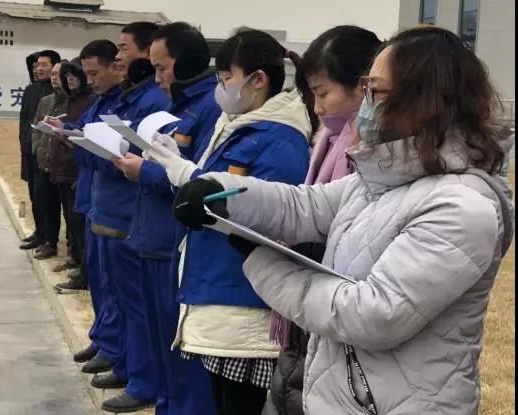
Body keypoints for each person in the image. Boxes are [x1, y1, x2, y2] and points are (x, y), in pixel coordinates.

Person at [173, 26, 515, 415]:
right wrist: (222, 194)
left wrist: (260, 262)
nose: (365, 103)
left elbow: (373, 314)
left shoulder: (462, 207)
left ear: (422, 99)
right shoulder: (382, 177)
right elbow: (302, 206)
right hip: (345, 398)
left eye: (374, 90)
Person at [147, 28, 312, 415]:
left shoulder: (280, 139)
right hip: (218, 291)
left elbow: (263, 216)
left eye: (226, 78)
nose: (221, 88)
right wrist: (183, 170)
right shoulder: (237, 126)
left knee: (240, 405)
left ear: (258, 80)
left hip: (244, 300)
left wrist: (187, 176)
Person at [261, 26, 382, 415]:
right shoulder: (326, 143)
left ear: (363, 87)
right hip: (306, 329)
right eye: (311, 94)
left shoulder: (374, 159)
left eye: (323, 92)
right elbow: (304, 206)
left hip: (335, 331)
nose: (317, 108)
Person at [50, 28, 170, 412]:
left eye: (123, 49)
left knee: (135, 303)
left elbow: (130, 160)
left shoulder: (152, 102)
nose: (118, 57)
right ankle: (115, 351)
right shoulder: (123, 98)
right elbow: (98, 145)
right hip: (104, 205)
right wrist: (76, 139)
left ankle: (138, 375)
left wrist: (86, 148)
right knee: (109, 289)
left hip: (127, 212)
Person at [113, 22, 222, 415]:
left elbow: (200, 181)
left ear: (185, 62)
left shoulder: (209, 108)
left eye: (161, 67)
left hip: (174, 241)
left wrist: (145, 171)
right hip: (152, 234)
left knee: (180, 347)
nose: (156, 77)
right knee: (159, 339)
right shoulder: (177, 105)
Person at [51, 58, 96, 287]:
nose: (69, 80)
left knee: (81, 220)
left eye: (74, 75)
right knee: (72, 218)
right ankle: (78, 259)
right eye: (66, 76)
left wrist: (67, 135)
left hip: (79, 168)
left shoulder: (92, 101)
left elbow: (85, 135)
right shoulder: (72, 100)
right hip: (65, 164)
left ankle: (84, 266)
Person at [19, 50, 61, 251]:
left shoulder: (57, 94)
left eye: (44, 65)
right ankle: (39, 232)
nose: (39, 69)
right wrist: (25, 146)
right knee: (34, 196)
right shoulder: (31, 90)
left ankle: (49, 238)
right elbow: (24, 120)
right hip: (30, 151)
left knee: (48, 198)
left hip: (48, 155)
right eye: (37, 65)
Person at [30, 62, 67, 260]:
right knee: (47, 204)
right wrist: (37, 148)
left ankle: (72, 248)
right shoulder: (45, 101)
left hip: (63, 164)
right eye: (52, 74)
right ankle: (49, 242)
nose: (54, 78)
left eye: (57, 74)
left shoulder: (72, 102)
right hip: (44, 161)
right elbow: (36, 127)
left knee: (68, 209)